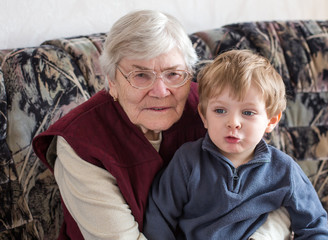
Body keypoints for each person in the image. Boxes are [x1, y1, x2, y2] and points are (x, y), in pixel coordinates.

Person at [32, 10, 291, 240]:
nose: (160, 90)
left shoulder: (215, 109)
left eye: (173, 74)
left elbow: (276, 190)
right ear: (112, 81)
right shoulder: (81, 140)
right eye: (141, 75)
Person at [144, 50, 328, 239]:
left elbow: (313, 226)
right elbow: (159, 217)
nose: (233, 122)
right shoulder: (187, 161)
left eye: (248, 113)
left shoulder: (284, 170)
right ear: (204, 116)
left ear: (271, 121)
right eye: (220, 110)